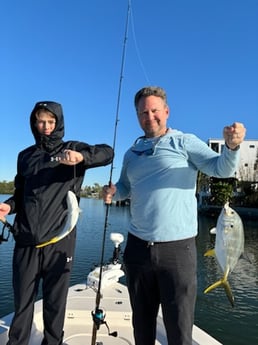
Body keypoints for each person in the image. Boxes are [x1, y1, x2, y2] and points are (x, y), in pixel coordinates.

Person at [102, 86, 246, 345]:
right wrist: (114, 191)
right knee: (141, 326)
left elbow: (220, 168)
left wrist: (232, 147)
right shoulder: (130, 154)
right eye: (143, 112)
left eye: (155, 110)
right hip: (137, 249)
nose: (150, 116)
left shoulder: (184, 142)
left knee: (179, 329)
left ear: (166, 112)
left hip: (177, 251)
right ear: (137, 116)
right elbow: (125, 188)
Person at [0, 101, 114, 345]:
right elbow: (22, 194)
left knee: (55, 301)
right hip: (26, 240)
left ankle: (53, 342)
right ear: (34, 123)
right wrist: (9, 206)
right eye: (41, 121)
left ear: (59, 123)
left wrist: (80, 157)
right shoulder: (25, 156)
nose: (46, 126)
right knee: (23, 303)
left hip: (60, 242)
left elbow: (108, 152)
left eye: (51, 122)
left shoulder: (71, 148)